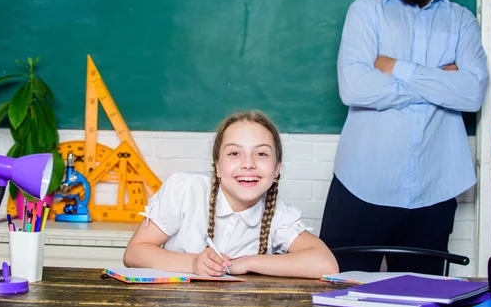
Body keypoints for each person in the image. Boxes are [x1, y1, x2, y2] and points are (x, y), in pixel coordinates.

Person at [319, 0, 488, 275]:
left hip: (436, 188)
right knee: (337, 293)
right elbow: (354, 87)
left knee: (421, 298)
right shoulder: (365, 12)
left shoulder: (462, 22)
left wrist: (397, 68)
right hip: (360, 185)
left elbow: (471, 94)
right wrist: (439, 81)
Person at [124, 110, 339, 279]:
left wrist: (247, 262)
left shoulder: (278, 214)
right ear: (217, 166)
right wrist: (193, 264)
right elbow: (134, 253)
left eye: (261, 154)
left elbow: (325, 263)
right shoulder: (185, 190)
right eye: (234, 153)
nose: (248, 164)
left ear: (276, 170)